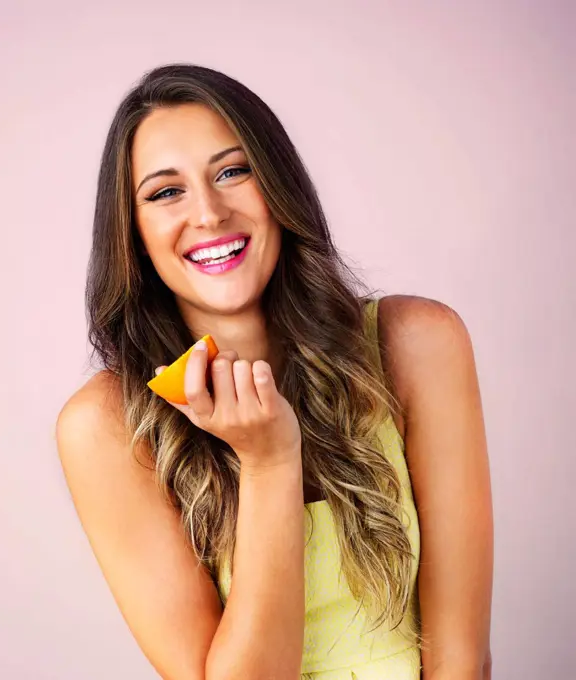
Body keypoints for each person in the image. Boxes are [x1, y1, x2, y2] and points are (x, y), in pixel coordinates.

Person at [56, 63, 493, 680]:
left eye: (233, 171)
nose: (208, 214)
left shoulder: (417, 344)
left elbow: (464, 662)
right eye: (165, 192)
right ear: (133, 233)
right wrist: (268, 462)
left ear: (278, 185)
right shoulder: (103, 425)